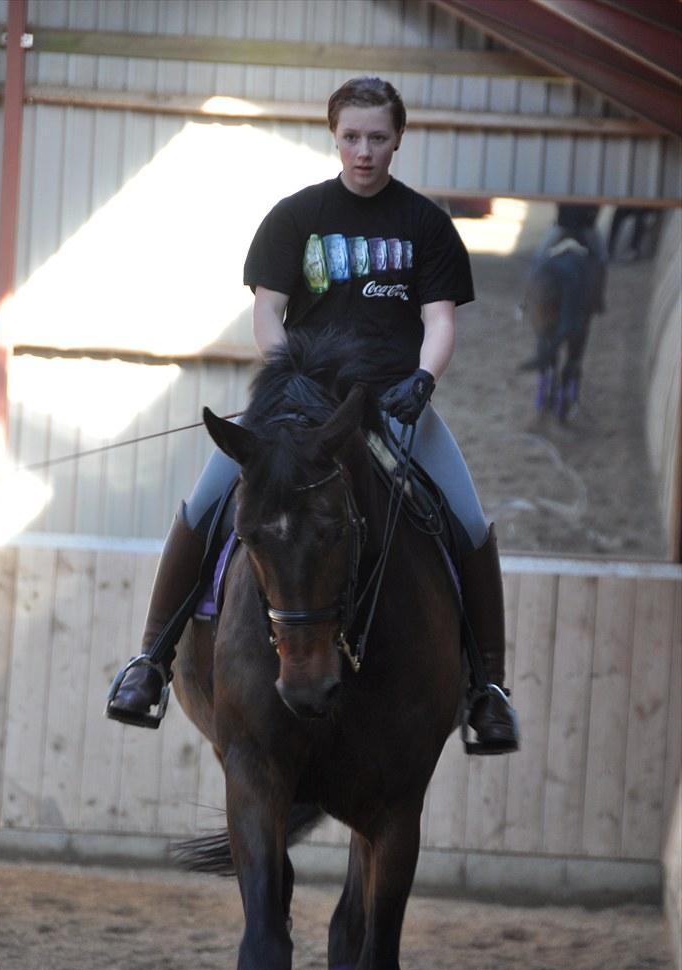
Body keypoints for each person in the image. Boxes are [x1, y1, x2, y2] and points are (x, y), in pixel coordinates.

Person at [106, 76, 518, 755]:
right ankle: (148, 663)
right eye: (352, 137)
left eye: (377, 138)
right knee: (204, 502)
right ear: (335, 136)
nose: (364, 151)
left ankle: (489, 691)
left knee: (468, 521)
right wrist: (289, 379)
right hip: (300, 408)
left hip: (392, 405)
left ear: (397, 140)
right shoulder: (295, 217)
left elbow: (438, 321)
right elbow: (268, 311)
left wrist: (424, 376)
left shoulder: (425, 225)